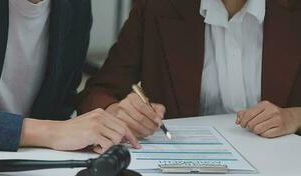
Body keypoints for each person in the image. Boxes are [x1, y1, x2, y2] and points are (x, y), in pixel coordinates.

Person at [79, 0, 301, 138]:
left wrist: (294, 117)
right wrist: (116, 111)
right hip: (186, 169)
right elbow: (96, 94)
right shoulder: (157, 6)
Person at [0, 0, 140, 153]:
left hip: (34, 167)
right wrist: (49, 131)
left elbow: (62, 102)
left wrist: (107, 116)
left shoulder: (75, 6)